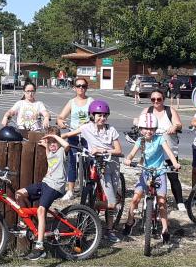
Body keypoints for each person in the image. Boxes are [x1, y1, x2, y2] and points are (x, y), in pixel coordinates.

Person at [62, 99, 123, 243]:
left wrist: (102, 150)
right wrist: (55, 138)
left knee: (112, 202)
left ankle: (107, 228)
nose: (102, 118)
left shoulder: (111, 130)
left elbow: (118, 150)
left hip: (111, 164)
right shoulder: (86, 128)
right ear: (92, 115)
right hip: (96, 164)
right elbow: (68, 135)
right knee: (102, 196)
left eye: (104, 115)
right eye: (98, 115)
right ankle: (91, 211)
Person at [122, 112, 181, 242]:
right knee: (135, 199)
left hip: (160, 172)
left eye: (152, 129)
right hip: (146, 172)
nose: (148, 131)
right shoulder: (140, 140)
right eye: (145, 128)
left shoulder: (160, 139)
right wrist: (128, 159)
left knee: (162, 202)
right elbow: (132, 153)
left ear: (155, 129)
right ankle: (130, 221)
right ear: (141, 129)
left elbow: (169, 153)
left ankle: (165, 229)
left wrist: (175, 163)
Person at [15, 128, 70, 261]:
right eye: (50, 142)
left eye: (54, 142)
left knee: (41, 209)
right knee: (19, 194)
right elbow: (47, 145)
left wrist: (54, 137)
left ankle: (40, 247)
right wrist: (47, 142)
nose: (52, 144)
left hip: (56, 186)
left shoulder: (62, 151)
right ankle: (27, 224)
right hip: (46, 183)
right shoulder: (49, 151)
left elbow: (67, 145)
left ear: (58, 140)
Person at [144, 88, 186, 212]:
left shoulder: (169, 110)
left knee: (173, 177)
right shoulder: (148, 111)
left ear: (163, 99)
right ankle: (149, 201)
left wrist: (174, 126)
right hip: (153, 152)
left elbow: (179, 124)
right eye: (153, 99)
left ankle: (180, 201)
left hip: (169, 150)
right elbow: (139, 122)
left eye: (159, 99)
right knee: (150, 177)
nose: (156, 101)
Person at [56, 77, 94, 200]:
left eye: (83, 86)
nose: (81, 88)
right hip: (73, 135)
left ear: (87, 88)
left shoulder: (91, 101)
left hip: (87, 137)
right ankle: (70, 190)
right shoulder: (71, 102)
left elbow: (97, 116)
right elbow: (61, 117)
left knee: (91, 162)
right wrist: (61, 122)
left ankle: (91, 188)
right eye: (78, 86)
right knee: (71, 162)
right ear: (74, 88)